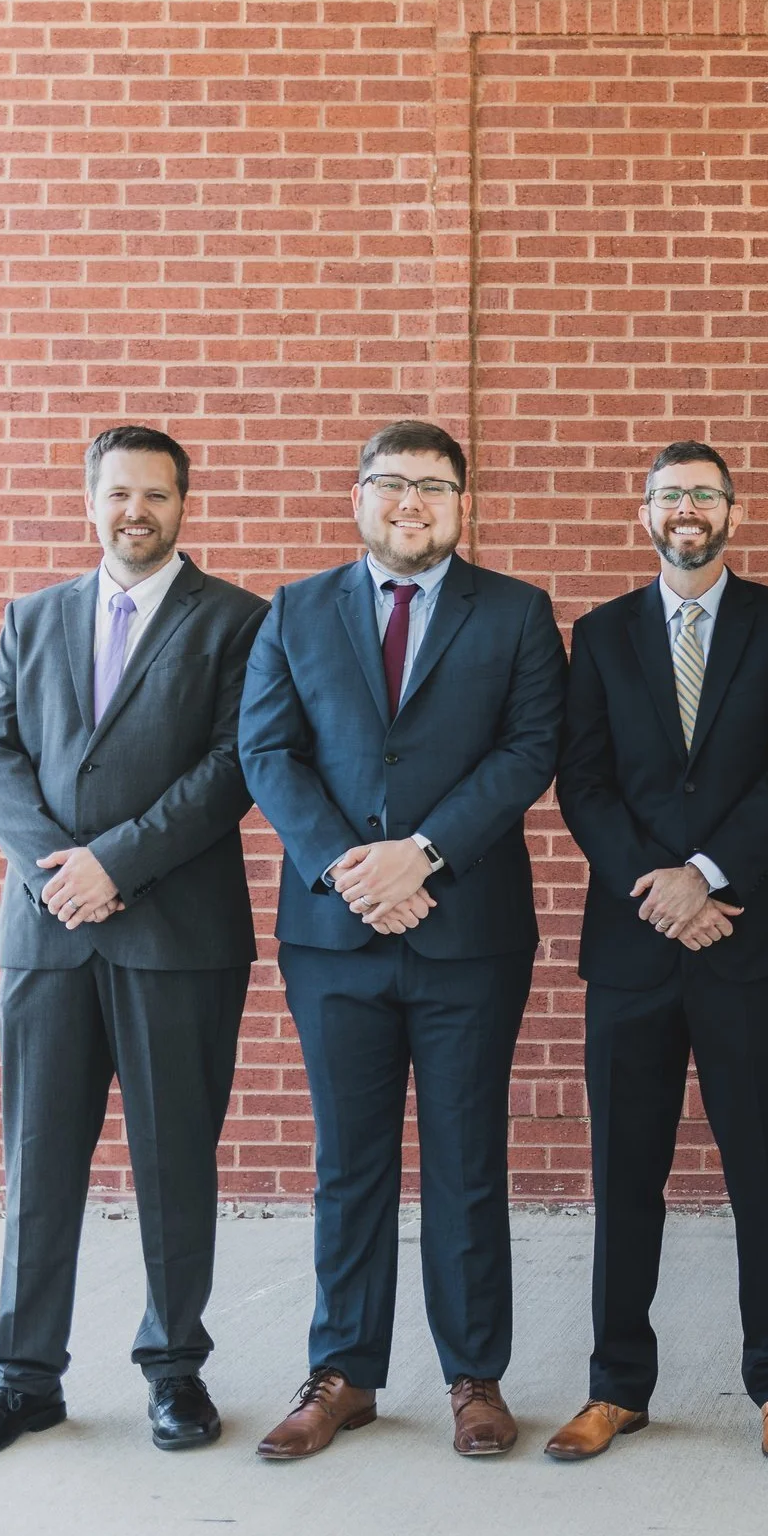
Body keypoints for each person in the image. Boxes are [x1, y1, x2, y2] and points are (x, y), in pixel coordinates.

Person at [0, 427, 268, 1462]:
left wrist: (115, 861)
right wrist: (54, 867)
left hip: (176, 934)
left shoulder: (240, 622)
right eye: (118, 492)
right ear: (90, 501)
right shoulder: (32, 618)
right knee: (38, 1163)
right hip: (47, 937)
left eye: (156, 495)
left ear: (182, 504)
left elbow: (233, 765)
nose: (136, 511)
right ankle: (22, 1378)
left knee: (174, 1163)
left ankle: (174, 1370)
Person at [238, 420, 566, 1460]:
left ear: (463, 504)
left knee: (469, 1159)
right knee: (350, 1160)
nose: (411, 500)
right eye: (392, 482)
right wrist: (349, 865)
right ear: (358, 496)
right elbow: (268, 747)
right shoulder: (294, 609)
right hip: (334, 937)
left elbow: (529, 751)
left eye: (433, 484)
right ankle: (344, 1370)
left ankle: (475, 1373)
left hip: (466, 931)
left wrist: (421, 854)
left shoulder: (515, 612)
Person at [547, 441, 768, 1463]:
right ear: (646, 514)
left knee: (763, 1167)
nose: (687, 511)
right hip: (633, 944)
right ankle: (616, 1385)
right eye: (669, 497)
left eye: (704, 495)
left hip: (743, 935)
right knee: (626, 1172)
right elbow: (584, 781)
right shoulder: (604, 632)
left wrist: (707, 874)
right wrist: (663, 890)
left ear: (732, 512)